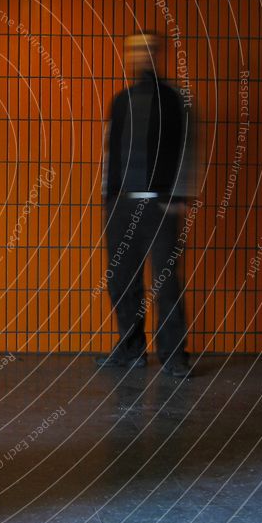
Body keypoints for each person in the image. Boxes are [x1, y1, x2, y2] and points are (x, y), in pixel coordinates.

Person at [96, 32, 197, 378]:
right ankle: (130, 350)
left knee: (166, 282)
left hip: (160, 206)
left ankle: (173, 356)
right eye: (135, 50)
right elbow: (110, 150)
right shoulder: (120, 101)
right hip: (121, 205)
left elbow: (188, 148)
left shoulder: (176, 100)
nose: (141, 55)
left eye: (147, 49)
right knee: (122, 280)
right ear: (129, 55)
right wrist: (107, 199)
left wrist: (179, 197)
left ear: (157, 54)